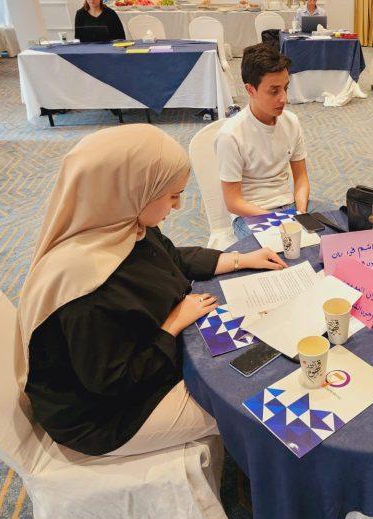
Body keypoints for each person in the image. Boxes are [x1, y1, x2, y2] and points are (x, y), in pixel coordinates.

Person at [15, 124, 287, 457]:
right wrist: (172, 325)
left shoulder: (122, 225)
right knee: (247, 403)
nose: (178, 206)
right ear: (135, 192)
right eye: (172, 195)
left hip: (143, 362)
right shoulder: (86, 289)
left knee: (255, 356)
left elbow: (171, 259)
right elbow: (116, 383)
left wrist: (239, 259)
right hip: (108, 416)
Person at [216, 43, 310, 240]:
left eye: (285, 88)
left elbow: (301, 178)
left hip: (290, 207)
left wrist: (301, 213)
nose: (283, 98)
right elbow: (233, 202)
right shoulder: (231, 135)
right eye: (274, 91)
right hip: (250, 215)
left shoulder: (291, 122)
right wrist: (278, 220)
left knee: (339, 225)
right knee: (280, 248)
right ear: (250, 90)